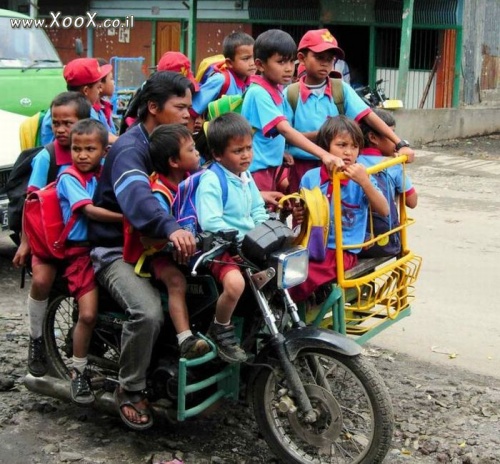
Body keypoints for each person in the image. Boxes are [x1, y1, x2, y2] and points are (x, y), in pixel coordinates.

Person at [88, 71, 197, 431]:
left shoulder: (173, 141)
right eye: (180, 106)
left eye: (190, 106)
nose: (188, 113)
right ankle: (129, 387)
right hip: (116, 248)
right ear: (153, 108)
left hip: (154, 244)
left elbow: (205, 173)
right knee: (148, 312)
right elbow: (138, 200)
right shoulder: (129, 150)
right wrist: (171, 227)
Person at [12, 92, 92, 378]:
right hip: (47, 238)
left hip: (82, 239)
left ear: (85, 122)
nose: (60, 129)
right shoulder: (47, 156)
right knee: (43, 279)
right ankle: (36, 340)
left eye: (67, 123)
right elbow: (29, 201)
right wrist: (25, 242)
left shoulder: (93, 151)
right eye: (55, 123)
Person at [286, 28, 415, 194]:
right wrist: (325, 135)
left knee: (344, 213)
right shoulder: (290, 94)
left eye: (330, 59)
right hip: (302, 166)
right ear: (302, 58)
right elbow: (285, 135)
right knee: (306, 215)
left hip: (339, 167)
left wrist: (400, 143)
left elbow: (368, 115)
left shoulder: (340, 89)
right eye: (319, 58)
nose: (325, 63)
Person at [56, 119, 123, 404]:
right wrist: (127, 219)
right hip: (79, 252)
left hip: (103, 246)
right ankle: (78, 371)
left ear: (103, 150)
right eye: (76, 149)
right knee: (87, 314)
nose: (82, 155)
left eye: (90, 149)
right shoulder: (69, 177)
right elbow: (91, 212)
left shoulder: (103, 173)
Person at [289, 115, 389, 303]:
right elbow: (302, 216)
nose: (348, 152)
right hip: (312, 245)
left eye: (354, 147)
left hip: (342, 251)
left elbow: (384, 210)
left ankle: (293, 312)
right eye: (341, 145)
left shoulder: (362, 178)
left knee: (303, 277)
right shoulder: (311, 178)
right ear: (326, 148)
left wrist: (365, 182)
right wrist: (299, 213)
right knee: (284, 268)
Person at [239, 29, 344, 203]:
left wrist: (283, 151)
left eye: (291, 61)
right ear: (260, 65)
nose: (288, 68)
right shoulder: (258, 93)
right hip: (257, 170)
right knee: (261, 225)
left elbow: (268, 135)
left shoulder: (277, 90)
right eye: (280, 62)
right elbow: (285, 130)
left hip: (272, 168)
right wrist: (324, 155)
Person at [196, 112, 269, 363]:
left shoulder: (245, 176)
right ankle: (221, 327)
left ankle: (256, 326)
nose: (246, 155)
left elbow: (258, 209)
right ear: (218, 155)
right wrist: (241, 238)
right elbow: (211, 222)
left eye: (249, 148)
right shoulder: (212, 180)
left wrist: (264, 230)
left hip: (246, 245)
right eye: (238, 151)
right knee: (236, 284)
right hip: (221, 248)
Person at [147, 123, 210, 359]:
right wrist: (174, 240)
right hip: (159, 254)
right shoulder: (159, 192)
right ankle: (185, 338)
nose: (198, 154)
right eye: (191, 150)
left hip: (190, 250)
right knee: (176, 282)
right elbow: (158, 227)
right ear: (174, 161)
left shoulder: (191, 177)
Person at [40, 57, 115, 145]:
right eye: (98, 87)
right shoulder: (84, 111)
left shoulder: (58, 107)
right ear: (86, 90)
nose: (99, 91)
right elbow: (104, 137)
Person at [358, 108, 418, 209]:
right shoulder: (393, 164)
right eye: (390, 134)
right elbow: (412, 202)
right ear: (373, 138)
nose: (395, 140)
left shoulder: (352, 162)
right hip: (385, 223)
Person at [191, 31, 256, 118]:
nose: (252, 63)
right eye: (246, 59)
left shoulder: (254, 82)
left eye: (254, 57)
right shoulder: (220, 80)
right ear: (229, 63)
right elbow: (193, 111)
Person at [95, 58, 118, 138]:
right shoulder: (91, 111)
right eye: (111, 79)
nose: (113, 82)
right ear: (100, 84)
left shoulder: (104, 107)